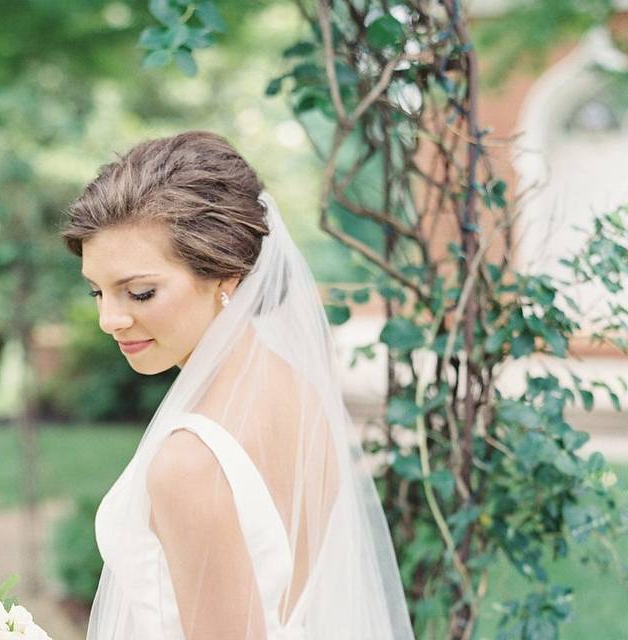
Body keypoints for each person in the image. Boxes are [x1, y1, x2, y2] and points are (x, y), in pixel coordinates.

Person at [60, 131, 415, 640]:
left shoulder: (189, 464)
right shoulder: (299, 391)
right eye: (97, 291)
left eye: (139, 292)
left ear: (227, 276)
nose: (109, 319)